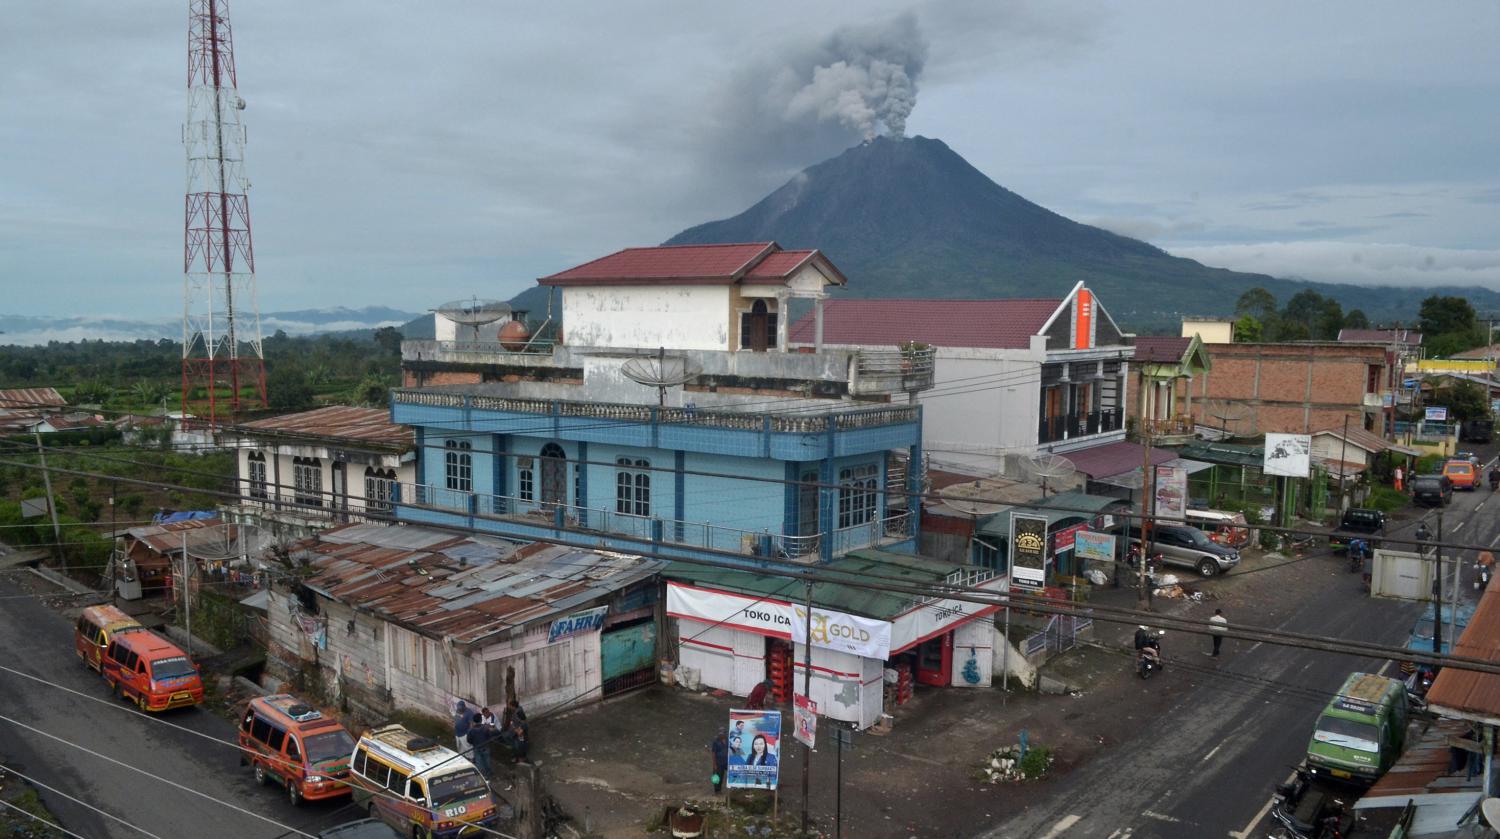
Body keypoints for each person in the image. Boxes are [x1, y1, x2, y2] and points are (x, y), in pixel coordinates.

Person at [466, 712, 493, 777]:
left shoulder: (471, 730)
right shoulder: (485, 728)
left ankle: (482, 775)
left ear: (474, 721)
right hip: (485, 747)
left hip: (476, 748)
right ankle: (489, 773)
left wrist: (474, 743)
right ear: (481, 720)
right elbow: (489, 737)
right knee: (487, 760)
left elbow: (469, 740)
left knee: (479, 762)